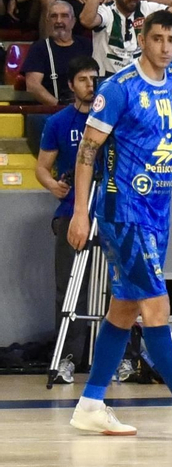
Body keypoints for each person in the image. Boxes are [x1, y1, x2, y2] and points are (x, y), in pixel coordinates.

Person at [65, 8, 172, 437]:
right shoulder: (118, 88)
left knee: (124, 310)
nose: (164, 47)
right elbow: (87, 150)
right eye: (157, 39)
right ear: (143, 39)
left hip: (158, 210)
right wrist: (80, 211)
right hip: (122, 210)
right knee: (156, 308)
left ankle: (90, 403)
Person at [35, 54, 98, 374]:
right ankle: (68, 357)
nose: (91, 85)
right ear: (72, 85)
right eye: (84, 79)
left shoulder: (112, 118)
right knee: (70, 287)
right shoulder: (58, 122)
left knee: (119, 288)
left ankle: (117, 357)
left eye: (94, 78)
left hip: (109, 211)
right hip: (72, 212)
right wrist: (53, 186)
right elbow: (42, 168)